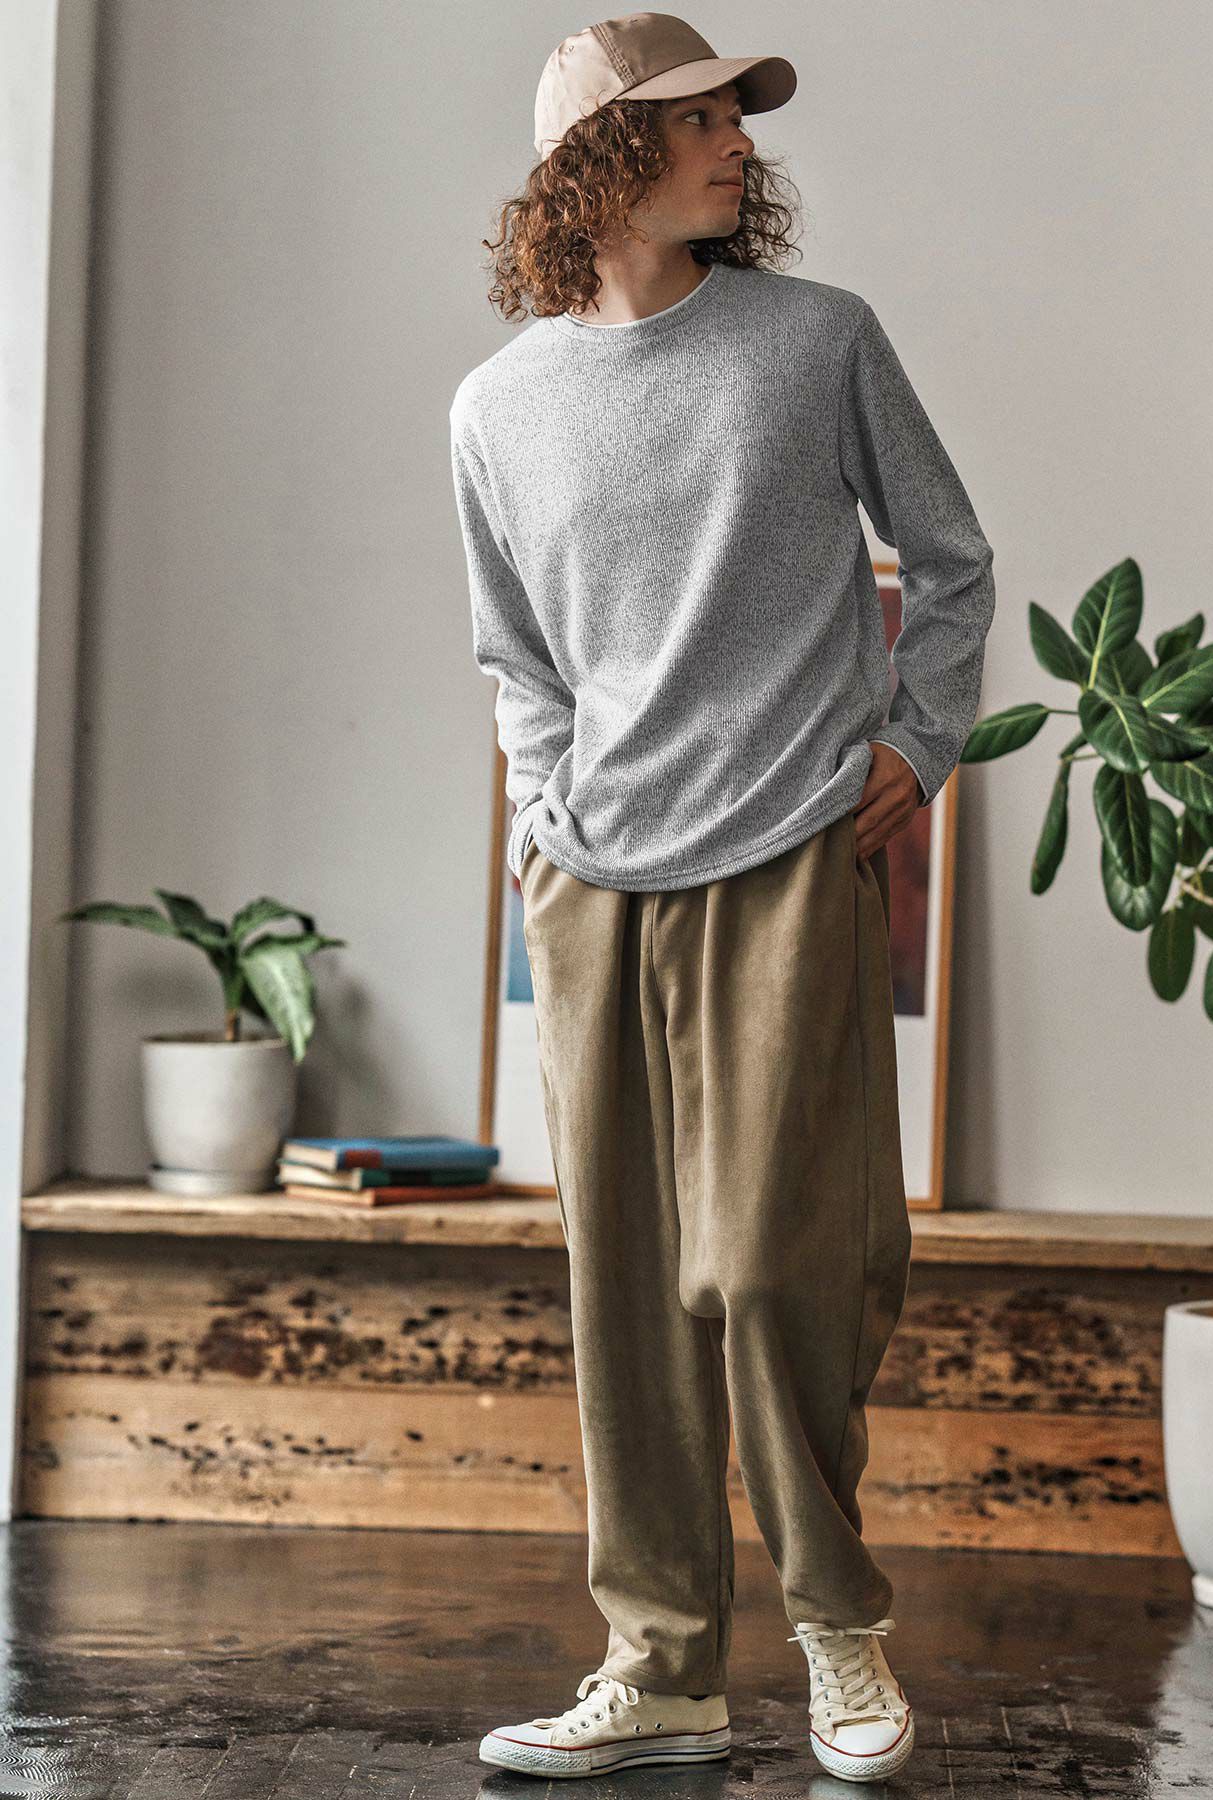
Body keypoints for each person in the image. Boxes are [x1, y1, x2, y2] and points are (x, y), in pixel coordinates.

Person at [448, 12, 996, 1782]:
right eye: (696, 120)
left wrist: (918, 738)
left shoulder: (816, 342)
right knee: (624, 1288)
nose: (737, 143)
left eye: (734, 120)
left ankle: (837, 1627)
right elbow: (513, 652)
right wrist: (545, 808)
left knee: (777, 1266)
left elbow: (952, 559)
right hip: (591, 886)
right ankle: (663, 1664)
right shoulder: (499, 407)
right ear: (598, 161)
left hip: (783, 861)